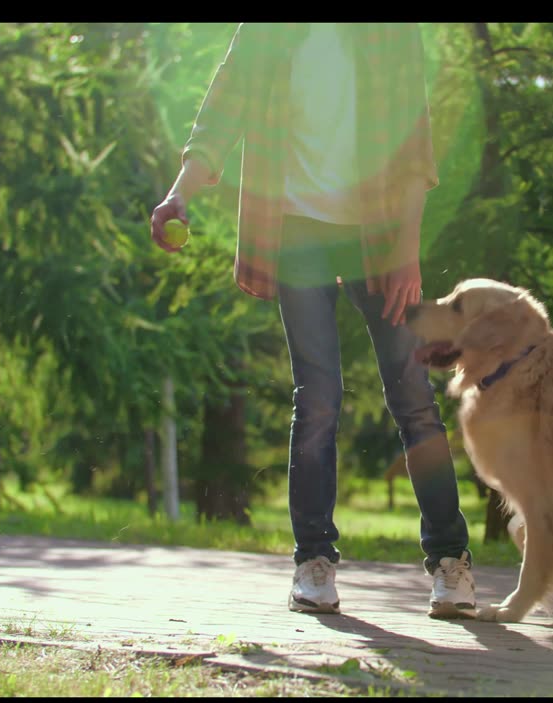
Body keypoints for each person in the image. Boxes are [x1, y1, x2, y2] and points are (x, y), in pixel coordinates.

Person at [150, 23, 475, 619]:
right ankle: (314, 562)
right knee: (319, 395)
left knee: (411, 394)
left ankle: (450, 563)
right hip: (297, 230)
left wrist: (407, 250)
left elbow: (413, 147)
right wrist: (180, 194)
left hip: (374, 232)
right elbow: (220, 114)